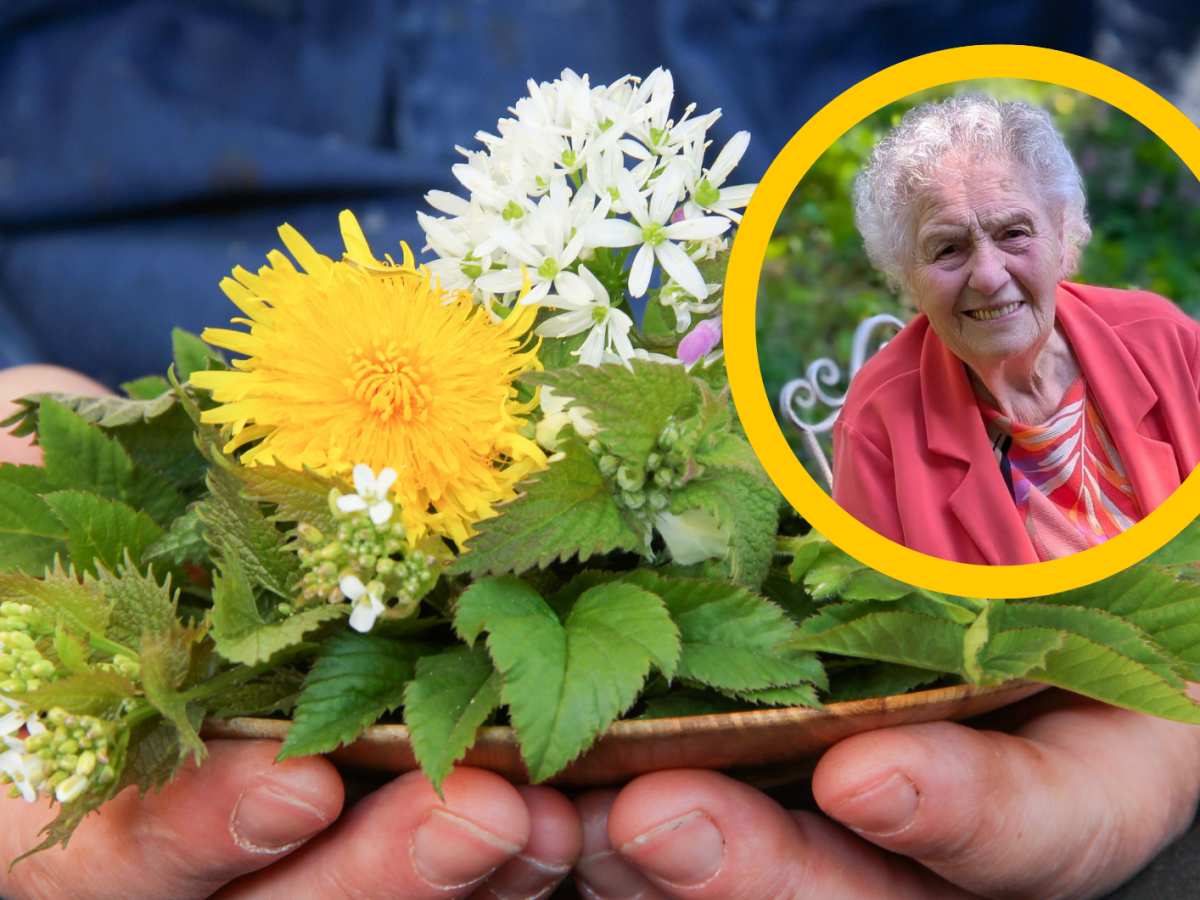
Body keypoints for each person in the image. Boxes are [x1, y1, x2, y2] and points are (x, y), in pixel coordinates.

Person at [832, 96, 1200, 564]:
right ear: (909, 279)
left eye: (1013, 233)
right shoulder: (876, 427)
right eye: (947, 248)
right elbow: (893, 618)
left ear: (1063, 241)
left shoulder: (1167, 341)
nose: (988, 275)